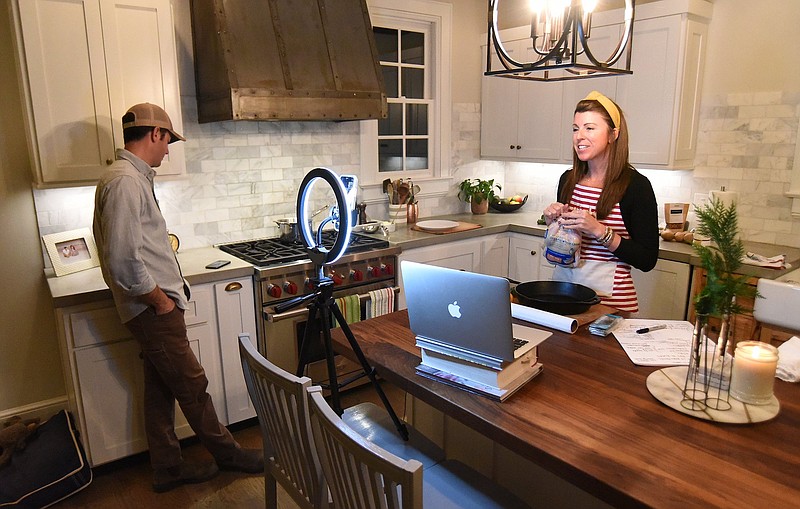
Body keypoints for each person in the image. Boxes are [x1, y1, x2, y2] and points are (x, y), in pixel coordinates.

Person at [93, 103, 263, 493]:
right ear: (155, 134)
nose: (168, 149)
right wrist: (160, 300)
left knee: (160, 389)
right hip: (153, 310)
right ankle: (229, 454)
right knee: (193, 385)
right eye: (168, 139)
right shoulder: (125, 181)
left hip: (150, 307)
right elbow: (122, 259)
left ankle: (167, 468)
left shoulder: (127, 177)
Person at [543, 91, 659, 313]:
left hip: (610, 305)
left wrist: (599, 230)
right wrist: (554, 224)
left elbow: (647, 260)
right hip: (563, 295)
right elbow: (568, 244)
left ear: (613, 134)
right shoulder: (568, 179)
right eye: (575, 129)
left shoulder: (635, 186)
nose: (579, 136)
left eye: (590, 128)